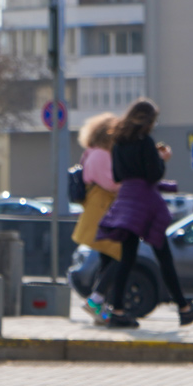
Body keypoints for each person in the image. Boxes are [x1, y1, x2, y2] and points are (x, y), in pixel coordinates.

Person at [96, 99, 193, 329]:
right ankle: (184, 309)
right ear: (147, 121)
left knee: (126, 258)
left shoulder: (118, 144)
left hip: (126, 200)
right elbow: (153, 175)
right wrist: (161, 158)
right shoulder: (146, 143)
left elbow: (118, 176)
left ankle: (118, 311)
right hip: (145, 203)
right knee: (163, 255)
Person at [72, 112, 122, 325]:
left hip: (100, 211)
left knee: (107, 259)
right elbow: (111, 184)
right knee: (122, 255)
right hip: (102, 211)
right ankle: (95, 300)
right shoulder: (101, 155)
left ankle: (100, 308)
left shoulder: (91, 153)